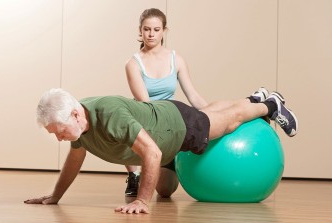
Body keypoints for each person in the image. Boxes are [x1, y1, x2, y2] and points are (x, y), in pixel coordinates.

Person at [24, 87, 298, 214]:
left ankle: (270, 105)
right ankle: (253, 98)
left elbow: (151, 154)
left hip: (175, 127)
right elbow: (75, 158)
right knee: (165, 190)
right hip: (162, 139)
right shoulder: (79, 125)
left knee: (229, 122)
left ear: (74, 114)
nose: (60, 139)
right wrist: (55, 196)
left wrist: (142, 201)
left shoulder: (108, 115)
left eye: (59, 132)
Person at [123, 8, 208, 197]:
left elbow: (193, 96)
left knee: (165, 190)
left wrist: (210, 115)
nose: (151, 34)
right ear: (140, 30)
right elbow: (146, 104)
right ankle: (134, 174)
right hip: (146, 119)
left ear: (164, 31)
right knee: (126, 125)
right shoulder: (133, 64)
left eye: (156, 29)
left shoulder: (176, 60)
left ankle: (170, 160)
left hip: (170, 120)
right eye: (146, 29)